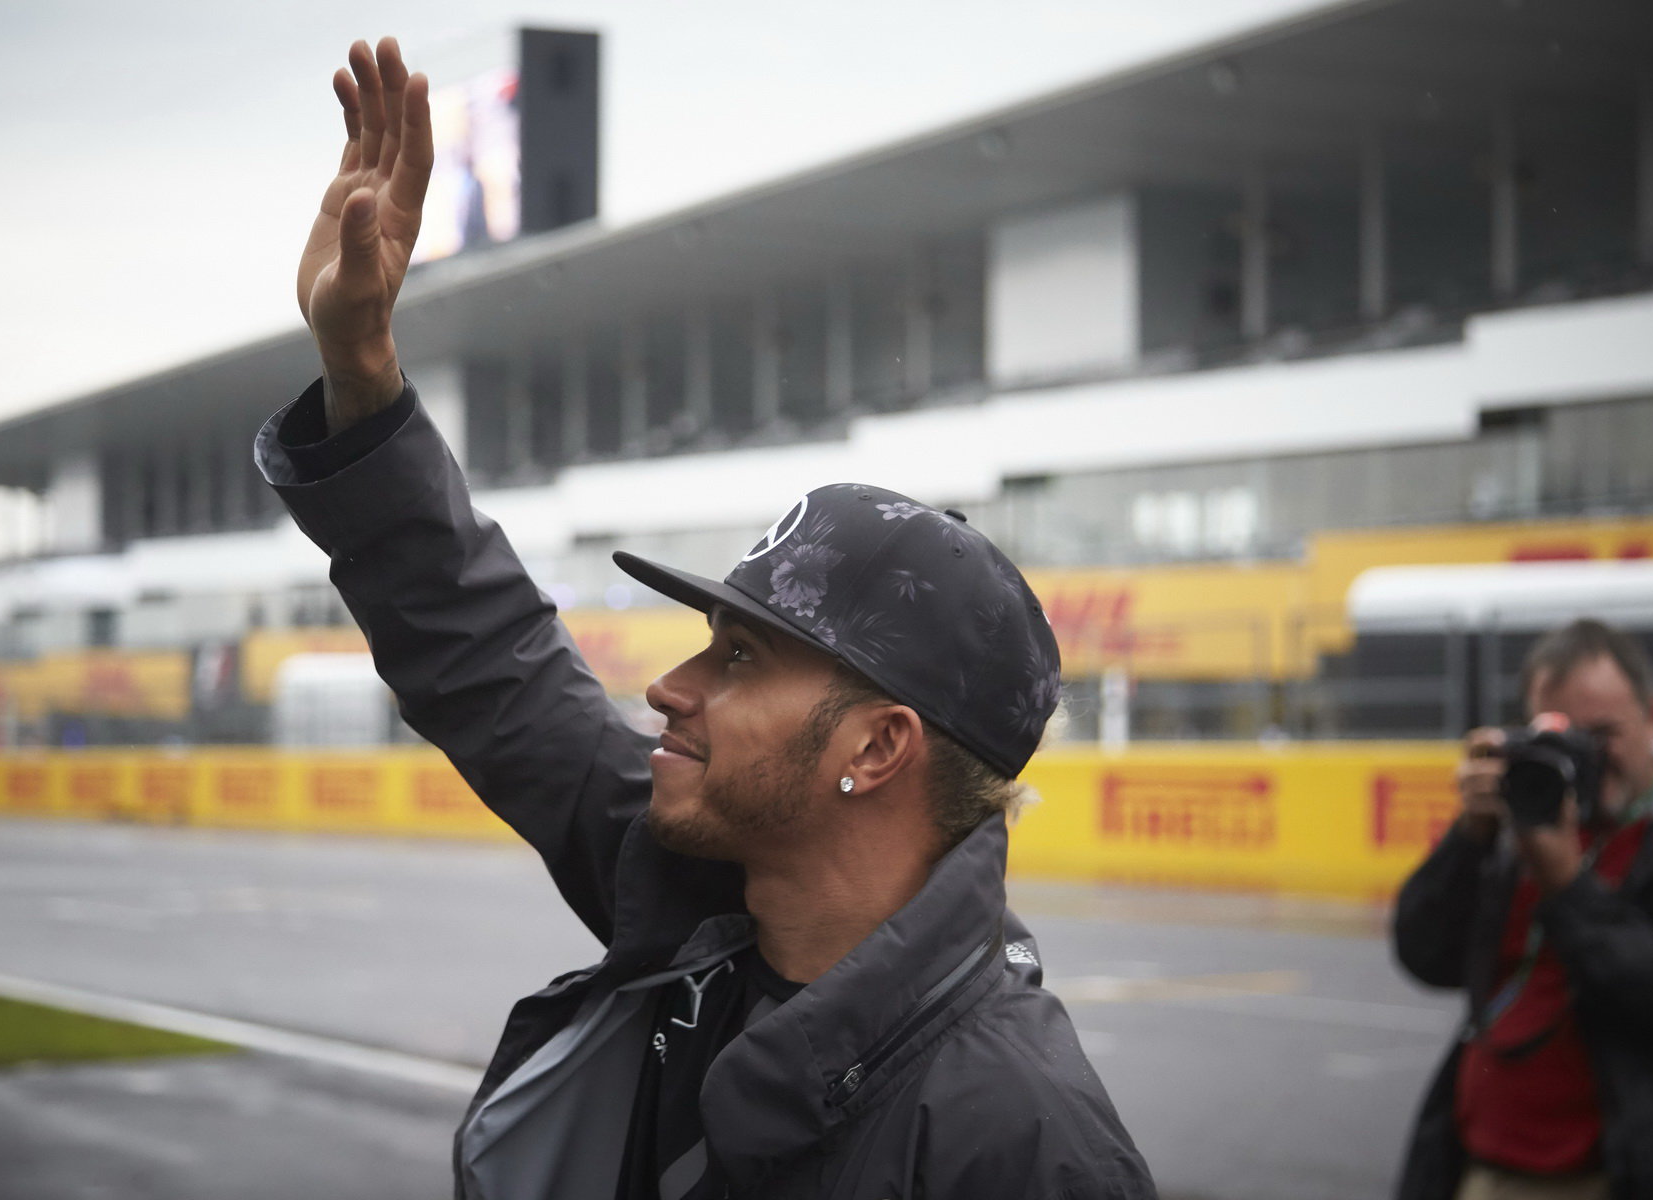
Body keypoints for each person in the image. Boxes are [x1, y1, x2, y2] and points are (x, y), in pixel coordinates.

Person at [257, 38, 1155, 1200]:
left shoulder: (1025, 1144)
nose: (669, 688)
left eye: (739, 658)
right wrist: (361, 368)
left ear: (879, 746)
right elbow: (492, 663)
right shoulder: (703, 897)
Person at [1391, 618, 1653, 1200]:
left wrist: (1566, 882)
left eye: (1603, 735)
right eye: (1564, 740)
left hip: (1613, 1174)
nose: (1586, 761)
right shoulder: (1520, 817)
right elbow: (1424, 955)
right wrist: (1469, 837)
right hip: (1478, 1163)